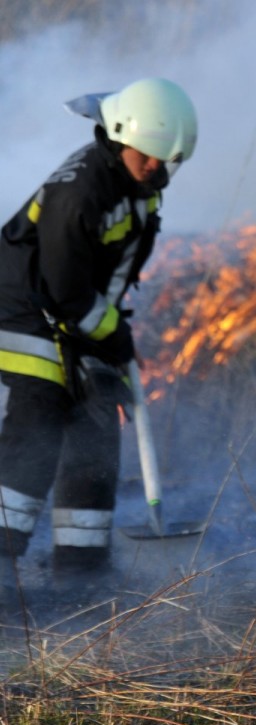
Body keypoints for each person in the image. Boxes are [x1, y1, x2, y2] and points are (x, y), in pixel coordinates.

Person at [0, 77, 197, 585]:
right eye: (147, 155)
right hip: (24, 311)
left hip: (74, 320)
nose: (155, 166)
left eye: (164, 158)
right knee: (39, 418)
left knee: (95, 425)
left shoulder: (134, 187)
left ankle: (80, 575)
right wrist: (112, 337)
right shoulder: (82, 190)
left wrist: (103, 345)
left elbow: (97, 284)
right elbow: (65, 288)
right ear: (118, 135)